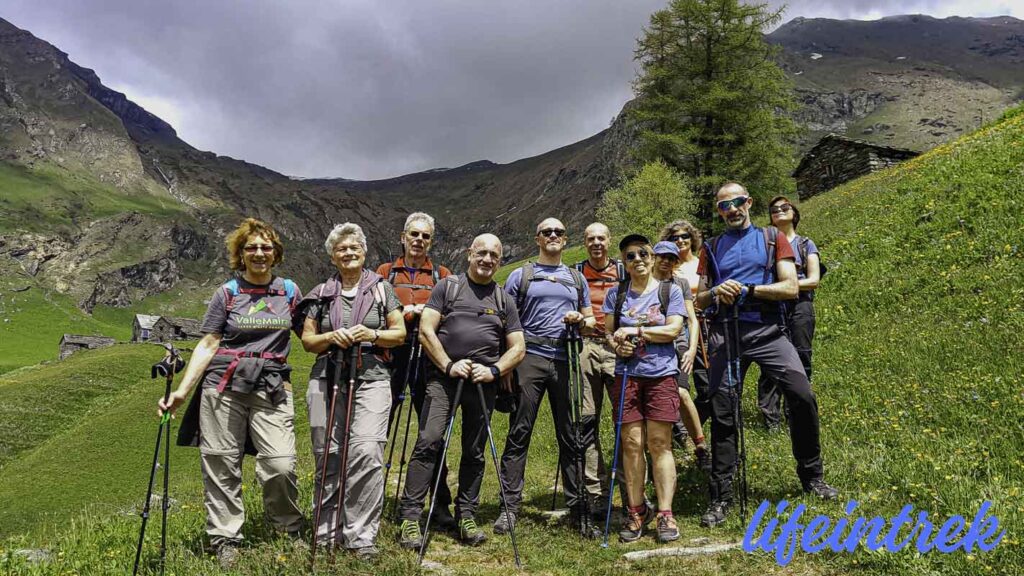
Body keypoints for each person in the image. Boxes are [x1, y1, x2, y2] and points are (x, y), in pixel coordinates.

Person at [158, 218, 305, 569]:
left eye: (265, 247)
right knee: (221, 462)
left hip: (272, 384)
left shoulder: (288, 291)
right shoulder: (227, 293)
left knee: (280, 463)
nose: (259, 253)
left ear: (276, 253)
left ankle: (288, 529)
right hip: (223, 385)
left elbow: (310, 334)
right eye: (251, 247)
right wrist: (181, 391)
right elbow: (208, 342)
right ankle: (225, 538)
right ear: (240, 254)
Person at [694, 183, 838, 528]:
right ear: (718, 210)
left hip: (769, 331)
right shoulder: (711, 247)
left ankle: (812, 476)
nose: (732, 209)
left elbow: (790, 286)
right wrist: (716, 291)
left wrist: (749, 290)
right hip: (726, 334)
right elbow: (699, 299)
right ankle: (721, 496)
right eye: (724, 204)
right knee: (723, 410)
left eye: (737, 202)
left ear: (749, 202)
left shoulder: (774, 237)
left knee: (802, 395)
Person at [397, 234, 526, 549]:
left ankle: (466, 513)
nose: (487, 260)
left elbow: (519, 346)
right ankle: (410, 518)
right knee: (428, 440)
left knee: (474, 450)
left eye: (494, 255)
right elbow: (427, 330)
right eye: (481, 253)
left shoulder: (503, 298)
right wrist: (447, 365)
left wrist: (495, 369)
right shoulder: (448, 286)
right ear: (470, 254)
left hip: (483, 382)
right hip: (444, 379)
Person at [298, 222, 406, 560]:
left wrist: (369, 335)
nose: (348, 253)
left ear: (364, 251)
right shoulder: (319, 293)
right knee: (325, 453)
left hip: (372, 378)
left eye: (354, 247)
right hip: (321, 383)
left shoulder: (381, 289)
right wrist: (332, 337)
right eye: (341, 249)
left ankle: (360, 536)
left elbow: (399, 333)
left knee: (366, 450)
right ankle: (326, 532)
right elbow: (307, 341)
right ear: (333, 256)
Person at [495, 218, 596, 536]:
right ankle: (509, 507)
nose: (553, 236)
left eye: (559, 233)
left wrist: (581, 319)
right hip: (529, 359)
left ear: (565, 240)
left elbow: (591, 323)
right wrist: (506, 367)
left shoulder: (577, 279)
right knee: (520, 431)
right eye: (547, 232)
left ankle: (579, 509)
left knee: (571, 434)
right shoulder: (519, 276)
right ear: (537, 238)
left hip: (566, 359)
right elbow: (505, 323)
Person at [603, 234, 685, 543]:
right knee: (632, 444)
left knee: (660, 442)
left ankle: (665, 513)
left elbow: (674, 329)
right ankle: (636, 511)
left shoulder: (669, 291)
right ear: (623, 263)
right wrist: (617, 346)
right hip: (627, 376)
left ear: (652, 258)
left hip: (661, 374)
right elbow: (609, 334)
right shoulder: (617, 294)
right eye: (629, 256)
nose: (637, 259)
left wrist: (637, 331)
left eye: (642, 254)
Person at [375, 212, 454, 527]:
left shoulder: (441, 275)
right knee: (379, 428)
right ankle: (369, 499)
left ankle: (439, 503)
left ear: (431, 241)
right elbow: (372, 312)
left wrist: (430, 314)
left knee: (431, 432)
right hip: (391, 357)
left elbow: (453, 314)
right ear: (403, 237)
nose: (419, 240)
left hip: (428, 359)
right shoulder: (384, 272)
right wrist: (401, 313)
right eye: (414, 234)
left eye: (425, 236)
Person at [757, 196, 822, 431]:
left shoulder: (806, 244)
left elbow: (814, 280)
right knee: (770, 359)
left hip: (800, 305)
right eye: (774, 210)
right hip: (774, 306)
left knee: (802, 356)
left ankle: (796, 410)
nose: (779, 212)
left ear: (794, 213)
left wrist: (789, 284)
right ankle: (770, 415)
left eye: (785, 208)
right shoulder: (768, 246)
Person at [573, 222, 623, 515]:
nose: (596, 243)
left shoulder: (623, 271)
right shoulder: (575, 273)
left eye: (601, 238)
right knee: (586, 420)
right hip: (585, 348)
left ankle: (632, 489)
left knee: (625, 422)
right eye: (590, 238)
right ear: (584, 242)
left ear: (609, 240)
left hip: (617, 348)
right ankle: (596, 491)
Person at [649, 240, 708, 468]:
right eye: (662, 256)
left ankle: (701, 445)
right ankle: (674, 442)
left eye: (671, 258)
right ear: (654, 257)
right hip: (652, 346)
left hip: (678, 343)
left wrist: (692, 350)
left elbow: (691, 319)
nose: (666, 261)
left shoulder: (680, 283)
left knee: (682, 391)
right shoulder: (644, 282)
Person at [660, 220, 712, 427]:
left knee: (707, 384)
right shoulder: (668, 268)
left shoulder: (702, 263)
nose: (680, 240)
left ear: (693, 239)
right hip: (679, 328)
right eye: (675, 238)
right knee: (679, 382)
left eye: (685, 236)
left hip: (705, 325)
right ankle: (681, 428)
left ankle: (689, 423)